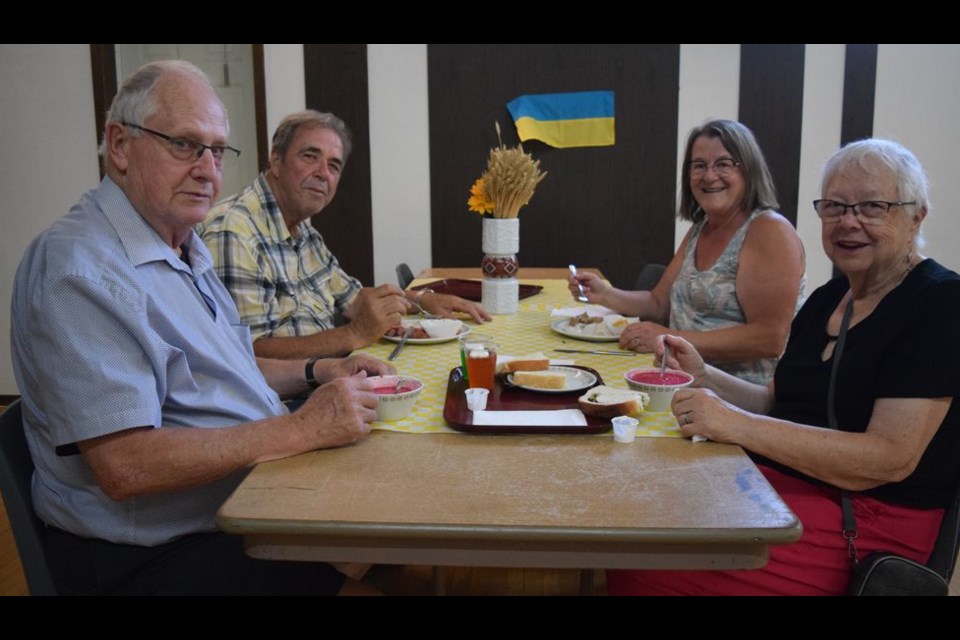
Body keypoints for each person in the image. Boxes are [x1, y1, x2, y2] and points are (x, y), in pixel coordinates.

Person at [10, 61, 395, 596]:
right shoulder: (81, 270)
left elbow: (228, 363)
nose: (208, 169)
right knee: (385, 549)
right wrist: (302, 429)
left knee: (398, 509)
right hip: (155, 554)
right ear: (119, 146)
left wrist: (321, 368)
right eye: (185, 145)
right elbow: (126, 467)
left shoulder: (180, 243)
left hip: (245, 501)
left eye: (217, 150)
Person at [608, 139, 960, 595]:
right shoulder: (829, 299)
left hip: (869, 522)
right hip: (783, 486)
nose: (848, 221)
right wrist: (704, 375)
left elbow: (888, 459)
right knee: (635, 510)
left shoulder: (940, 303)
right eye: (834, 207)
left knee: (643, 559)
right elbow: (777, 399)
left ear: (917, 215)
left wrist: (736, 424)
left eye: (872, 206)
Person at [199, 110, 491, 360]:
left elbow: (352, 298)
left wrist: (423, 300)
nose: (323, 172)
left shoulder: (303, 231)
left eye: (334, 165)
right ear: (276, 161)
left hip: (325, 376)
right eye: (310, 156)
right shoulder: (234, 230)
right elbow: (250, 353)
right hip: (283, 404)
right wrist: (354, 334)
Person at [569, 120, 805, 384]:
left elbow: (770, 339)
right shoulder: (701, 229)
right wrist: (606, 294)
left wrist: (668, 338)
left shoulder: (768, 230)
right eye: (699, 165)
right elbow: (659, 303)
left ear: (749, 171)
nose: (709, 175)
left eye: (724, 164)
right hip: (680, 379)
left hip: (739, 398)